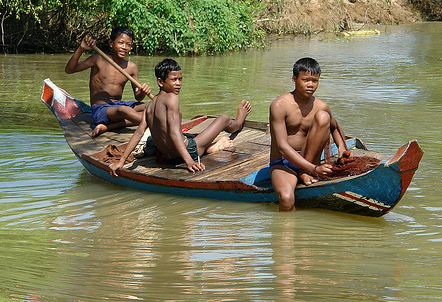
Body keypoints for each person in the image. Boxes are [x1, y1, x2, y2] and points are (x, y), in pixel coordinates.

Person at [109, 58, 252, 176]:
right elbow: (173, 133)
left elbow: (139, 132)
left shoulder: (150, 105)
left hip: (167, 157)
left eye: (180, 79)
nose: (178, 84)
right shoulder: (172, 99)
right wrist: (189, 161)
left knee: (191, 134)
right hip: (187, 151)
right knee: (224, 119)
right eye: (174, 80)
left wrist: (122, 160)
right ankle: (238, 122)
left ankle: (210, 146)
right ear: (160, 82)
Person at [269, 57, 351, 212]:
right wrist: (315, 169)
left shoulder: (321, 106)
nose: (310, 85)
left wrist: (341, 147)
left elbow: (335, 127)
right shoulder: (279, 105)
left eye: (315, 80)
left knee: (323, 117)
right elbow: (282, 147)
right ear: (294, 79)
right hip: (284, 163)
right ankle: (289, 233)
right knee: (287, 199)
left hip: (309, 160)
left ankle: (304, 173)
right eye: (305, 80)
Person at [65, 26, 152, 137]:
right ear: (111, 43)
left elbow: (138, 97)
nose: (124, 47)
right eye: (121, 43)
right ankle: (154, 122)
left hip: (120, 106)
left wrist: (143, 91)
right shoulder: (98, 59)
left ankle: (108, 127)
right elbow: (69, 70)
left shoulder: (131, 67)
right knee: (126, 111)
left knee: (153, 106)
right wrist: (81, 49)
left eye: (128, 45)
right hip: (101, 109)